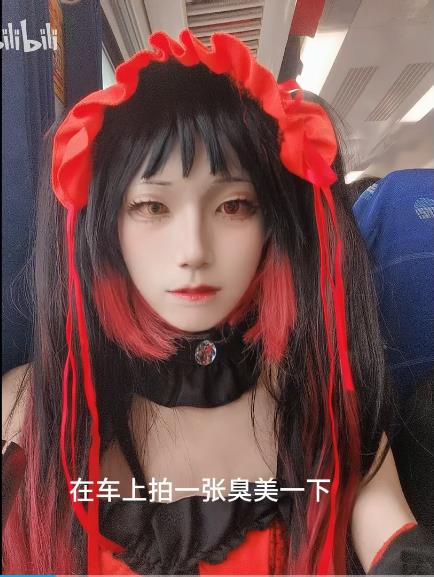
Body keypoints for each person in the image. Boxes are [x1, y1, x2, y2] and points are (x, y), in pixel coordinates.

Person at [2, 29, 433, 575]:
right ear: (105, 228)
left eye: (233, 206)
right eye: (152, 207)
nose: (194, 251)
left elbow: (397, 547)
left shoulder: (321, 402)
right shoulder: (25, 409)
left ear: (273, 226)